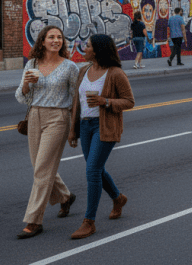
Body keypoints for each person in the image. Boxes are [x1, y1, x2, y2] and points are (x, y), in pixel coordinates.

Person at [15, 25, 80, 239]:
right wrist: (26, 83)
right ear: (42, 41)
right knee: (39, 167)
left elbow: (75, 99)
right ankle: (65, 197)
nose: (56, 40)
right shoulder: (32, 64)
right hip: (34, 116)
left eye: (59, 37)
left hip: (58, 117)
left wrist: (73, 128)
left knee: (42, 170)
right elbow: (21, 96)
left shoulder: (70, 67)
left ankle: (34, 220)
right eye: (51, 37)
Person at [68, 34, 135, 240]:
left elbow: (129, 101)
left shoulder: (115, 73)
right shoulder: (84, 71)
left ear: (96, 50)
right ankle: (117, 197)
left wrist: (105, 101)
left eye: (87, 45)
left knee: (92, 170)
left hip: (104, 127)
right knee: (95, 168)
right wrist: (73, 130)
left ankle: (89, 222)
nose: (83, 48)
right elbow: (77, 104)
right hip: (86, 126)